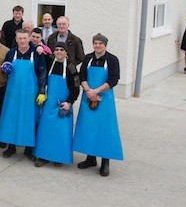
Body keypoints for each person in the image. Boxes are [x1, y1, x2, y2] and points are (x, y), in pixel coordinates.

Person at [73, 33, 124, 177]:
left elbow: (114, 79)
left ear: (105, 45)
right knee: (89, 128)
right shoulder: (88, 58)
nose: (97, 45)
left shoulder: (112, 60)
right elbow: (81, 75)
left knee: (104, 129)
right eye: (95, 43)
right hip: (88, 96)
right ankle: (90, 158)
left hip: (104, 99)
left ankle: (105, 162)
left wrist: (97, 91)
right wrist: (89, 90)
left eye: (100, 43)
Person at [0, 29, 47, 160]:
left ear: (29, 38)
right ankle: (11, 147)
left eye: (25, 38)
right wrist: (4, 68)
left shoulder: (37, 53)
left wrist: (42, 92)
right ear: (16, 39)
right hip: (13, 93)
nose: (22, 41)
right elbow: (6, 70)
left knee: (30, 119)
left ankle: (29, 149)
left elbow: (42, 73)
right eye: (20, 38)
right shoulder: (11, 53)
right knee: (11, 118)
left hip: (30, 93)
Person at [33, 42, 80, 167]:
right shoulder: (50, 63)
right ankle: (43, 157)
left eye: (61, 50)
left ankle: (59, 157)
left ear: (66, 52)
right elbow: (40, 49)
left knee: (61, 132)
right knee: (45, 131)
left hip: (63, 106)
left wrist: (69, 102)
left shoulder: (71, 68)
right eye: (57, 49)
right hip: (49, 104)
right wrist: (39, 47)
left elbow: (76, 88)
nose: (59, 52)